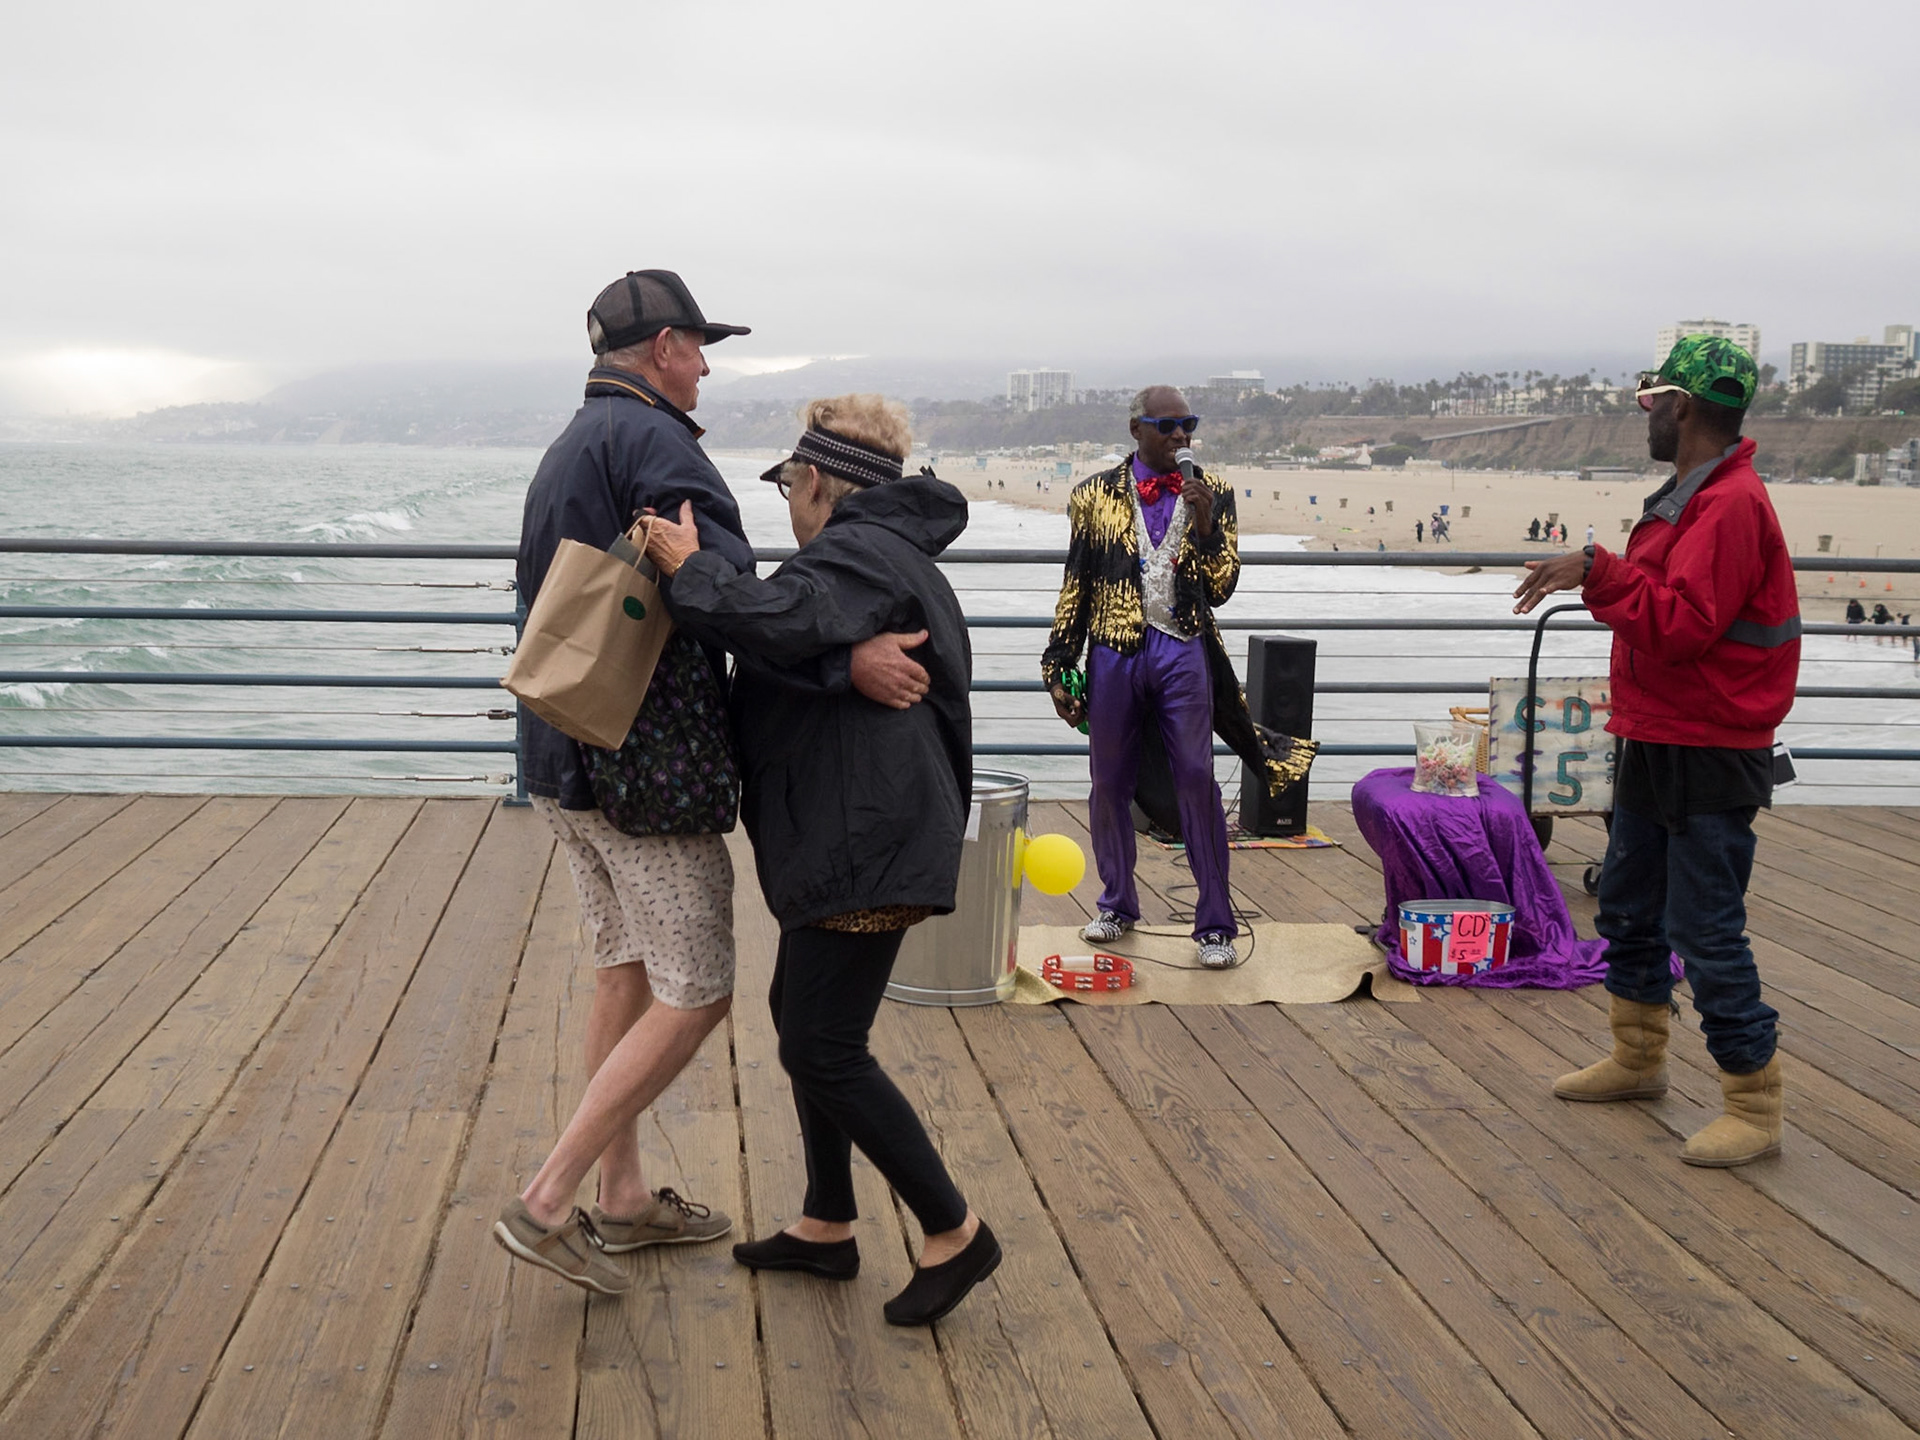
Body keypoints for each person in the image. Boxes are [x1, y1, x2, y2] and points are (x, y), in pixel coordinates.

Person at [495, 274, 931, 1296]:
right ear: (661, 348)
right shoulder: (659, 449)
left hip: (563, 754)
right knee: (696, 994)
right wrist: (845, 661)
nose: (705, 366)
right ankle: (551, 1199)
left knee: (626, 971)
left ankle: (622, 1197)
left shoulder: (574, 443)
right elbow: (732, 601)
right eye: (698, 347)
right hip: (647, 770)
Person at [646, 394, 1001, 1327]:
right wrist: (846, 668)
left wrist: (688, 572)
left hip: (865, 837)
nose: (786, 503)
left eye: (787, 484)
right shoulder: (888, 557)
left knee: (821, 1044)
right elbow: (806, 643)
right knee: (800, 1021)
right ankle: (826, 1222)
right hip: (854, 831)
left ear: (815, 482)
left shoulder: (851, 554)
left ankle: (954, 1231)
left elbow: (779, 617)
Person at [1515, 336, 1798, 1168]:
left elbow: (1681, 626)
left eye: (1650, 400)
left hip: (1709, 747)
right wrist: (1602, 574)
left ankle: (1754, 1099)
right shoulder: (1691, 495)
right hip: (1657, 731)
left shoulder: (1731, 505)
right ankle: (1639, 1061)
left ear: (1685, 406)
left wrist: (1595, 570)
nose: (1646, 414)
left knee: (1706, 928)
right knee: (1630, 909)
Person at [1041, 386, 1259, 970]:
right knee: (1108, 781)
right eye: (1168, 425)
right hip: (1113, 650)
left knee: (1196, 776)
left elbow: (1222, 588)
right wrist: (1058, 660)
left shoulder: (1214, 492)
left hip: (1183, 649)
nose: (1182, 435)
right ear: (1137, 428)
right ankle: (1117, 903)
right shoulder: (1092, 495)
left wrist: (1207, 524)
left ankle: (1215, 924)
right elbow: (1077, 579)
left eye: (1189, 423)